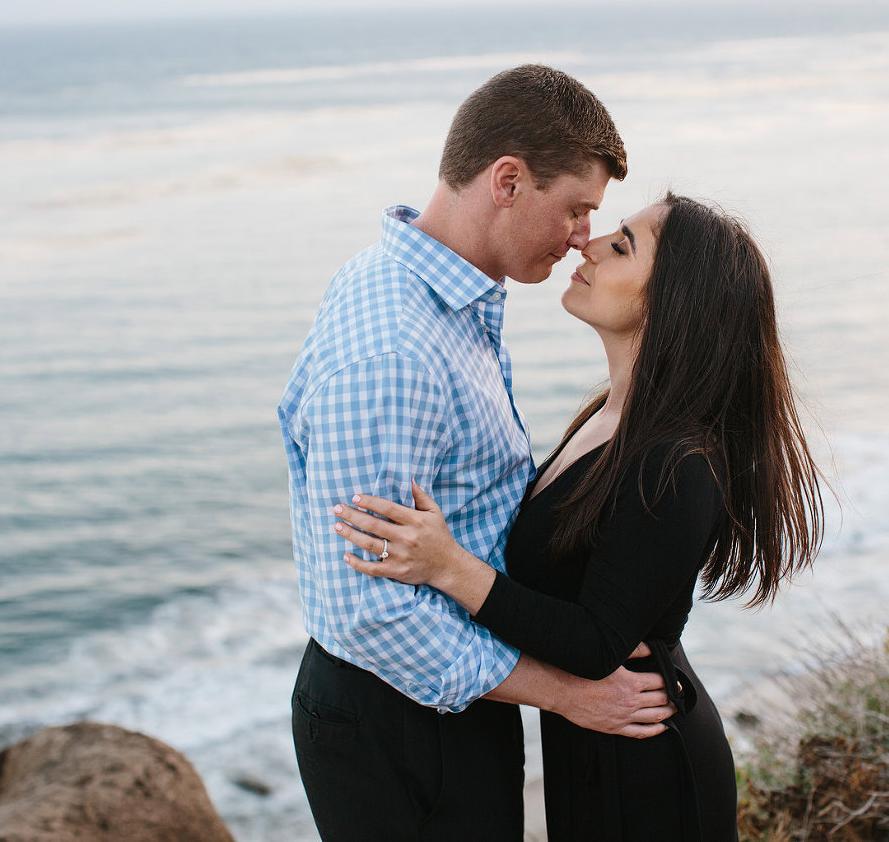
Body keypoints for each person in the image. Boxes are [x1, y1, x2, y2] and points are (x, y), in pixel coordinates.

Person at [333, 192, 826, 840]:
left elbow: (597, 642)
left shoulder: (674, 459)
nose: (584, 245)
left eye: (621, 244)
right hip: (594, 745)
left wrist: (451, 568)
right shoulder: (608, 419)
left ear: (672, 298)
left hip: (644, 761)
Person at [278, 65, 677, 841]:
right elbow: (371, 613)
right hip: (396, 717)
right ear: (507, 180)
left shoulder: (445, 300)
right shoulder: (393, 350)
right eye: (574, 210)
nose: (581, 238)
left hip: (449, 697)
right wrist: (562, 690)